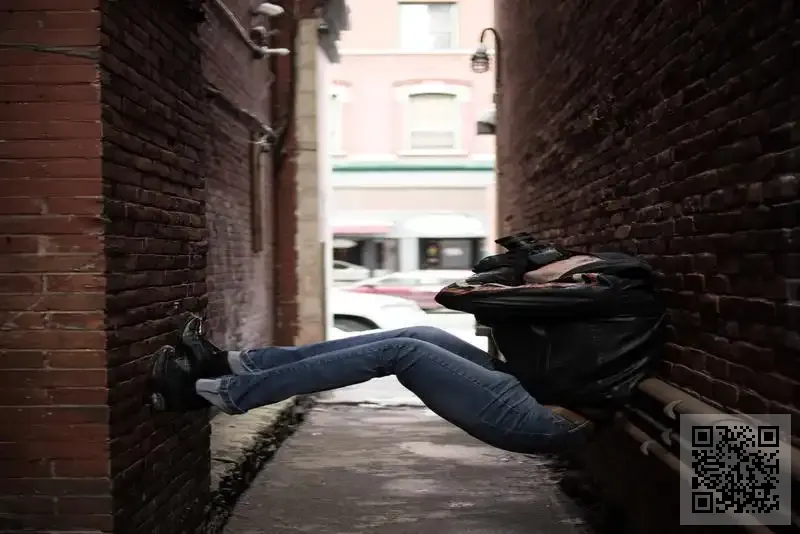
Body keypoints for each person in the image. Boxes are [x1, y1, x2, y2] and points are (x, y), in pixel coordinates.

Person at [149, 316, 594, 455]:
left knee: (403, 352)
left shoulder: (620, 321)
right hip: (535, 390)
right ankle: (231, 363)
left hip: (548, 419)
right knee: (422, 334)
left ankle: (216, 393)